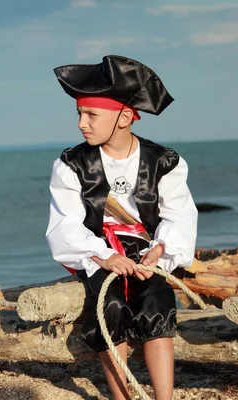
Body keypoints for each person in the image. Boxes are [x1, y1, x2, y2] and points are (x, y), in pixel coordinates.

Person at [45, 55, 198, 400]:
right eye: (79, 114)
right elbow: (65, 223)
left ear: (125, 118)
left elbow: (179, 214)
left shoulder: (164, 162)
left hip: (147, 248)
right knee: (109, 305)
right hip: (97, 250)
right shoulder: (71, 165)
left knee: (157, 300)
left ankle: (164, 397)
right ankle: (121, 396)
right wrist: (103, 257)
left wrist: (161, 250)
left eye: (92, 115)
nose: (82, 124)